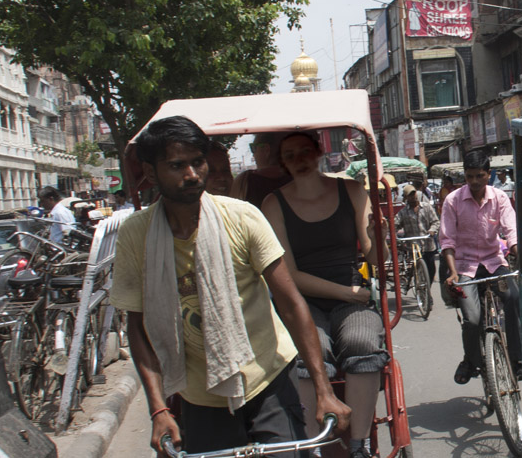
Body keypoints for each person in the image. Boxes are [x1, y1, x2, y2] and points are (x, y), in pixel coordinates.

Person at [109, 116, 350, 456]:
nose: (192, 175)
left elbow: (292, 305)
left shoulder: (242, 217)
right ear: (150, 173)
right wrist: (159, 410)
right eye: (177, 165)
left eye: (197, 162)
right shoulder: (137, 235)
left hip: (268, 381)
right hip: (200, 394)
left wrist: (324, 391)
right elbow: (137, 327)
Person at [260, 132, 387, 458]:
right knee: (305, 350)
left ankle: (358, 446)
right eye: (291, 155)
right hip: (304, 301)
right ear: (283, 162)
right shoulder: (274, 204)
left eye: (305, 152)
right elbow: (290, 276)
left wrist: (378, 237)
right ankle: (312, 447)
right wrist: (349, 293)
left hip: (351, 294)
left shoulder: (352, 190)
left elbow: (374, 257)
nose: (300, 160)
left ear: (319, 152)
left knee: (363, 341)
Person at [440, 149, 520, 385]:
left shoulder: (500, 198)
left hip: (494, 263)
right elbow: (447, 240)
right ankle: (470, 360)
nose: (474, 182)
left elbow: (511, 230)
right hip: (464, 267)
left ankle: (517, 358)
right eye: (469, 177)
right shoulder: (452, 200)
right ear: (464, 176)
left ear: (488, 174)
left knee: (513, 297)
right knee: (472, 319)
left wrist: (519, 254)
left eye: (479, 176)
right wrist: (453, 272)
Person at [230, 132, 292, 207]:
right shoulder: (296, 177)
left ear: (266, 149)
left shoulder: (245, 180)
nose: (253, 154)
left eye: (253, 148)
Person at [394, 184, 440, 285]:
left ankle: (427, 288)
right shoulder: (403, 212)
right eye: (410, 195)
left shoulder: (426, 207)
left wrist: (432, 230)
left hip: (428, 245)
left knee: (431, 270)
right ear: (406, 197)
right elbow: (395, 225)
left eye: (414, 193)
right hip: (413, 247)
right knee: (417, 269)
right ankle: (420, 288)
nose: (413, 196)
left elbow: (436, 222)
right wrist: (393, 233)